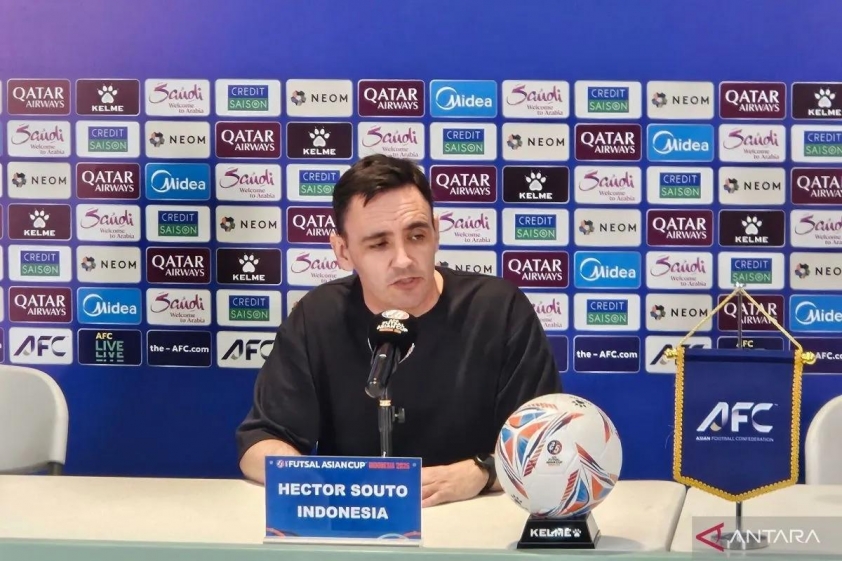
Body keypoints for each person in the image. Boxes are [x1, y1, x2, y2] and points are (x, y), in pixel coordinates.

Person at [236, 154, 561, 507]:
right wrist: (326, 486)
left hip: (474, 513)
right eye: (379, 244)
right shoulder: (317, 316)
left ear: (436, 232)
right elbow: (260, 441)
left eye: (417, 235)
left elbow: (545, 443)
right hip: (357, 520)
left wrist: (482, 471)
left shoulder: (498, 309)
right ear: (343, 251)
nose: (404, 259)